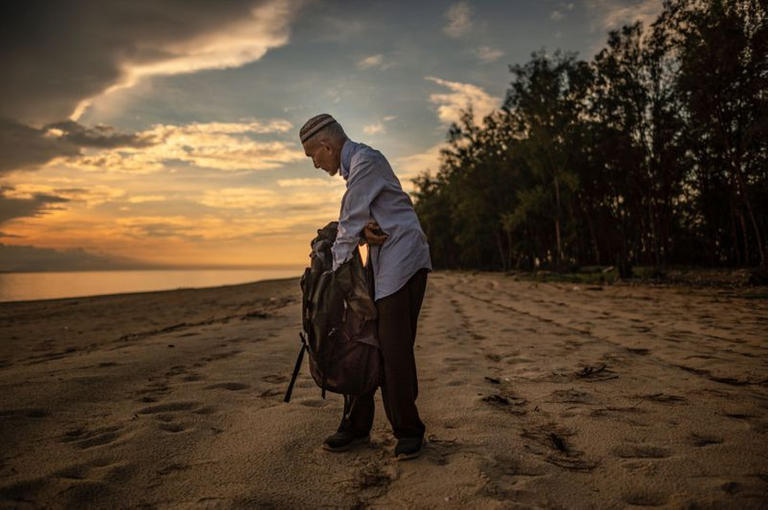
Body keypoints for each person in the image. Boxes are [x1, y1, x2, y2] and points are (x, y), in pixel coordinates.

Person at [299, 113, 432, 460]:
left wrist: (332, 277)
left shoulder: (365, 162)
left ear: (327, 146)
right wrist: (360, 233)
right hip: (383, 262)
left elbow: (350, 219)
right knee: (361, 341)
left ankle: (409, 431)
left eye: (314, 156)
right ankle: (356, 427)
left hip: (403, 263)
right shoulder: (358, 167)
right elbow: (359, 222)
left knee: (392, 348)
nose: (315, 164)